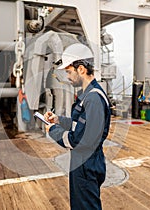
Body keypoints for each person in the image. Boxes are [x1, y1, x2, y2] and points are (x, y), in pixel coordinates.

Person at [44, 43, 111, 210]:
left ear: (81, 69)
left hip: (86, 164)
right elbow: (78, 124)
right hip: (83, 162)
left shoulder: (93, 99)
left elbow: (78, 140)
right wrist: (58, 120)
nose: (67, 77)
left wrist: (52, 131)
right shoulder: (87, 95)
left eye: (68, 72)